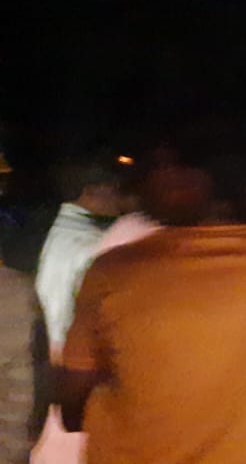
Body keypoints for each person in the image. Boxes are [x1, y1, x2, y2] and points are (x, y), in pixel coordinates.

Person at [56, 122, 246, 463]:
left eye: (157, 166)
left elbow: (71, 407)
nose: (140, 182)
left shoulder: (117, 268)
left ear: (194, 176)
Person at [30, 155, 123, 464]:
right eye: (116, 189)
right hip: (75, 368)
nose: (121, 199)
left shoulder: (43, 233)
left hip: (39, 362)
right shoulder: (96, 245)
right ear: (93, 190)